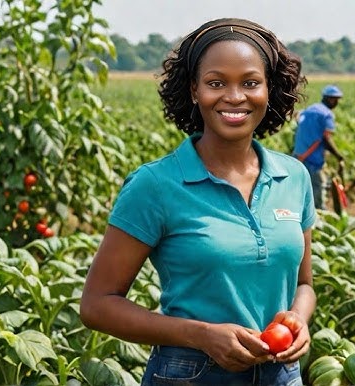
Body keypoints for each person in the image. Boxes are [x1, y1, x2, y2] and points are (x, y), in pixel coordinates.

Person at [80, 18, 316, 386]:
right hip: (190, 374)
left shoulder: (294, 176)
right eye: (216, 82)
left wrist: (298, 320)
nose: (235, 97)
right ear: (194, 90)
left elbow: (304, 284)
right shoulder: (155, 184)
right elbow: (97, 305)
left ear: (269, 90)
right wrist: (200, 334)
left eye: (250, 83)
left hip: (281, 374)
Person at [292, 85, 345, 209]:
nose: (336, 102)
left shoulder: (310, 109)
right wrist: (338, 156)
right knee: (318, 189)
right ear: (331, 99)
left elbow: (298, 119)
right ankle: (318, 220)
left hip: (298, 155)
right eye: (335, 99)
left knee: (301, 191)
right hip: (313, 159)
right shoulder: (327, 115)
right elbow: (326, 139)